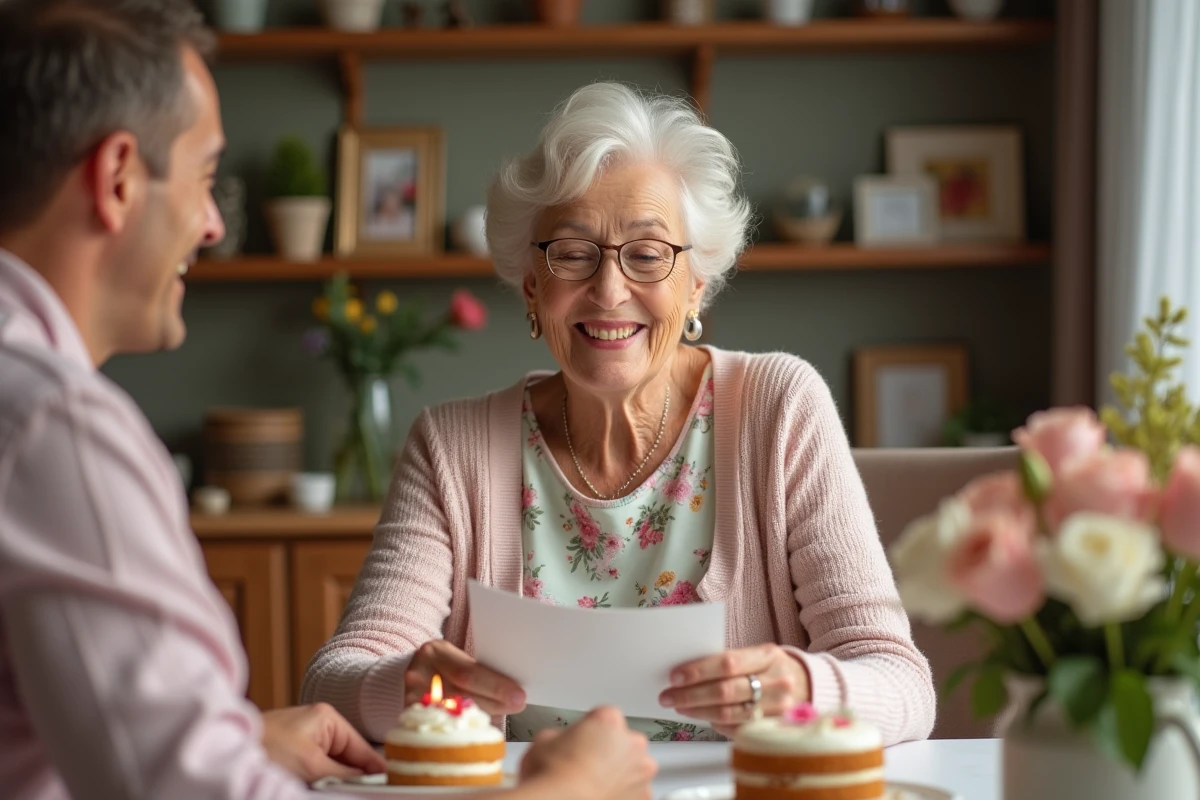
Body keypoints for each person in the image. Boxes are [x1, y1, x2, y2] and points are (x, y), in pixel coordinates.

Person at [0, 2, 654, 798]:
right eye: (207, 176)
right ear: (117, 178)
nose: (211, 225)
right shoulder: (52, 428)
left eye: (650, 253)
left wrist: (239, 742)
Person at [302, 82, 936, 746]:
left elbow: (901, 683)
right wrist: (405, 685)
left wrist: (805, 689)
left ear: (696, 285)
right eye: (572, 254)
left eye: (647, 254)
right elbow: (331, 683)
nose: (608, 290)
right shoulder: (450, 446)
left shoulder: (779, 410)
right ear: (531, 286)